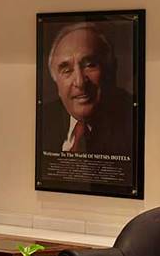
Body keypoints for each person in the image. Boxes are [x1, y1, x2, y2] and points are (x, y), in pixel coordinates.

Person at [42, 22, 134, 156]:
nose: (80, 82)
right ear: (55, 80)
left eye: (90, 65)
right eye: (67, 70)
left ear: (111, 69)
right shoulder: (42, 120)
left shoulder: (133, 122)